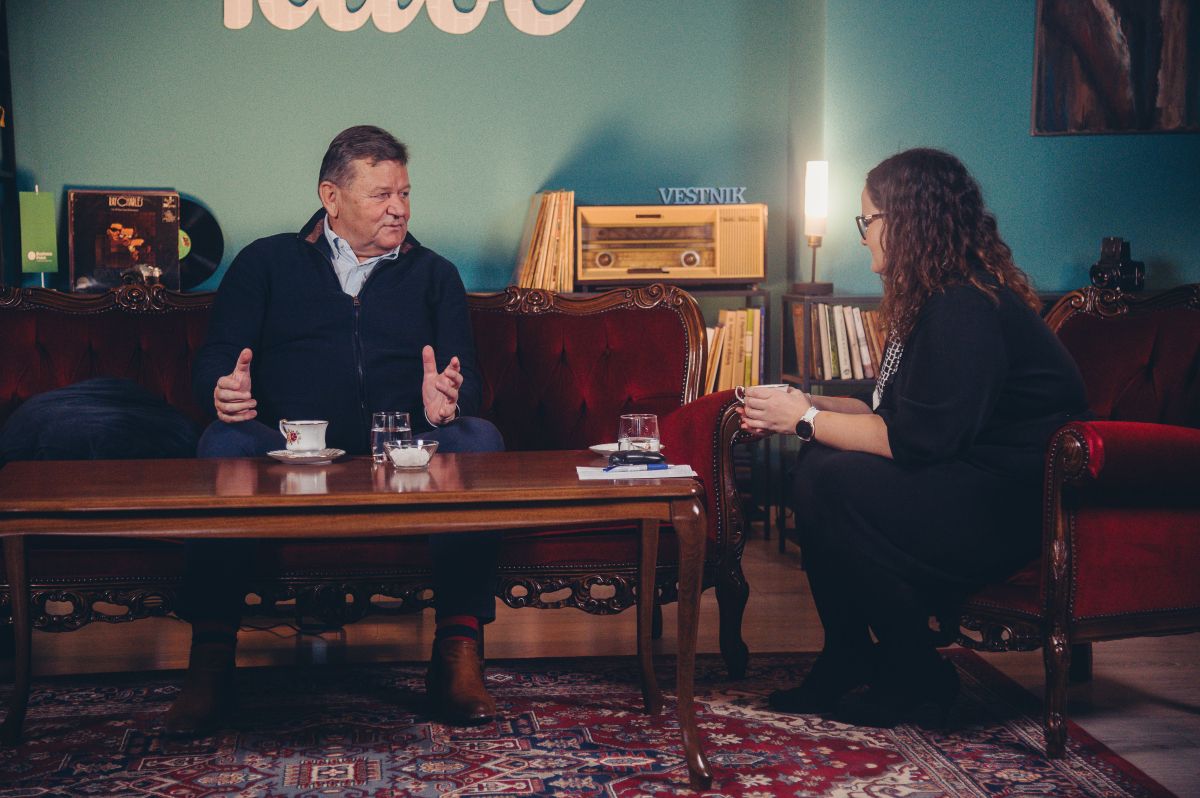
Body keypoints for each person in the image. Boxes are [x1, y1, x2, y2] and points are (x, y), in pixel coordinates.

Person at [166, 125, 505, 735]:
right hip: (288, 448)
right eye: (381, 195)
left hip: (405, 452)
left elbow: (468, 378)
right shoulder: (265, 263)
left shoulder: (435, 274)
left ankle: (458, 652)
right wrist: (221, 391)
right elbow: (215, 358)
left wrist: (449, 402)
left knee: (478, 439)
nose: (399, 208)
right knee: (222, 443)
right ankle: (210, 661)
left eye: (404, 193)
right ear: (331, 197)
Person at [738, 148, 1089, 727]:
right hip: (967, 482)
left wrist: (803, 420)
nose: (862, 235)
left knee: (830, 478)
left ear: (906, 221)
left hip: (1012, 508)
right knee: (820, 463)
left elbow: (920, 439)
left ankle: (910, 667)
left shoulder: (964, 305)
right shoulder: (937, 297)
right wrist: (799, 404)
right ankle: (853, 654)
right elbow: (886, 406)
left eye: (868, 220)